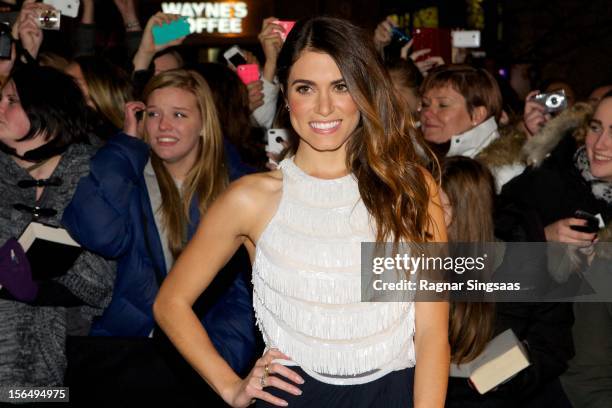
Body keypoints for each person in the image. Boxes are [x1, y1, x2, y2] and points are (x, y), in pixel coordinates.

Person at [154, 16, 449, 408]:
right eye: (305, 88)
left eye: (341, 86)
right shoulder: (252, 198)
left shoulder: (411, 189)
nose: (323, 107)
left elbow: (432, 333)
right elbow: (170, 303)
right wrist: (230, 386)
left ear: (363, 90)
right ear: (286, 94)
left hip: (392, 394)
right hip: (292, 397)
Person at [0, 65, 115, 386]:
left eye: (11, 100)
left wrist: (36, 286)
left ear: (47, 111)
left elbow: (101, 279)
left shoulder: (94, 172)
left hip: (72, 360)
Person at [420, 64, 525, 192]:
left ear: (477, 115)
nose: (427, 113)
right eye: (425, 104)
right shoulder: (417, 158)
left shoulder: (505, 175)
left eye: (443, 105)